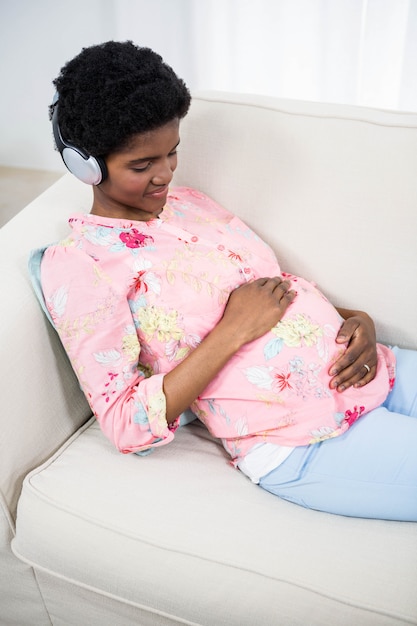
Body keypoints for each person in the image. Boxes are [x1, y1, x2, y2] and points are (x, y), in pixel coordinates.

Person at [34, 41, 417, 521]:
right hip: (302, 437)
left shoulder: (190, 203)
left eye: (172, 153)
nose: (165, 174)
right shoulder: (80, 264)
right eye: (141, 165)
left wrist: (355, 320)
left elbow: (269, 290)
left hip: (373, 367)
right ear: (84, 163)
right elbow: (124, 423)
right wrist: (233, 330)